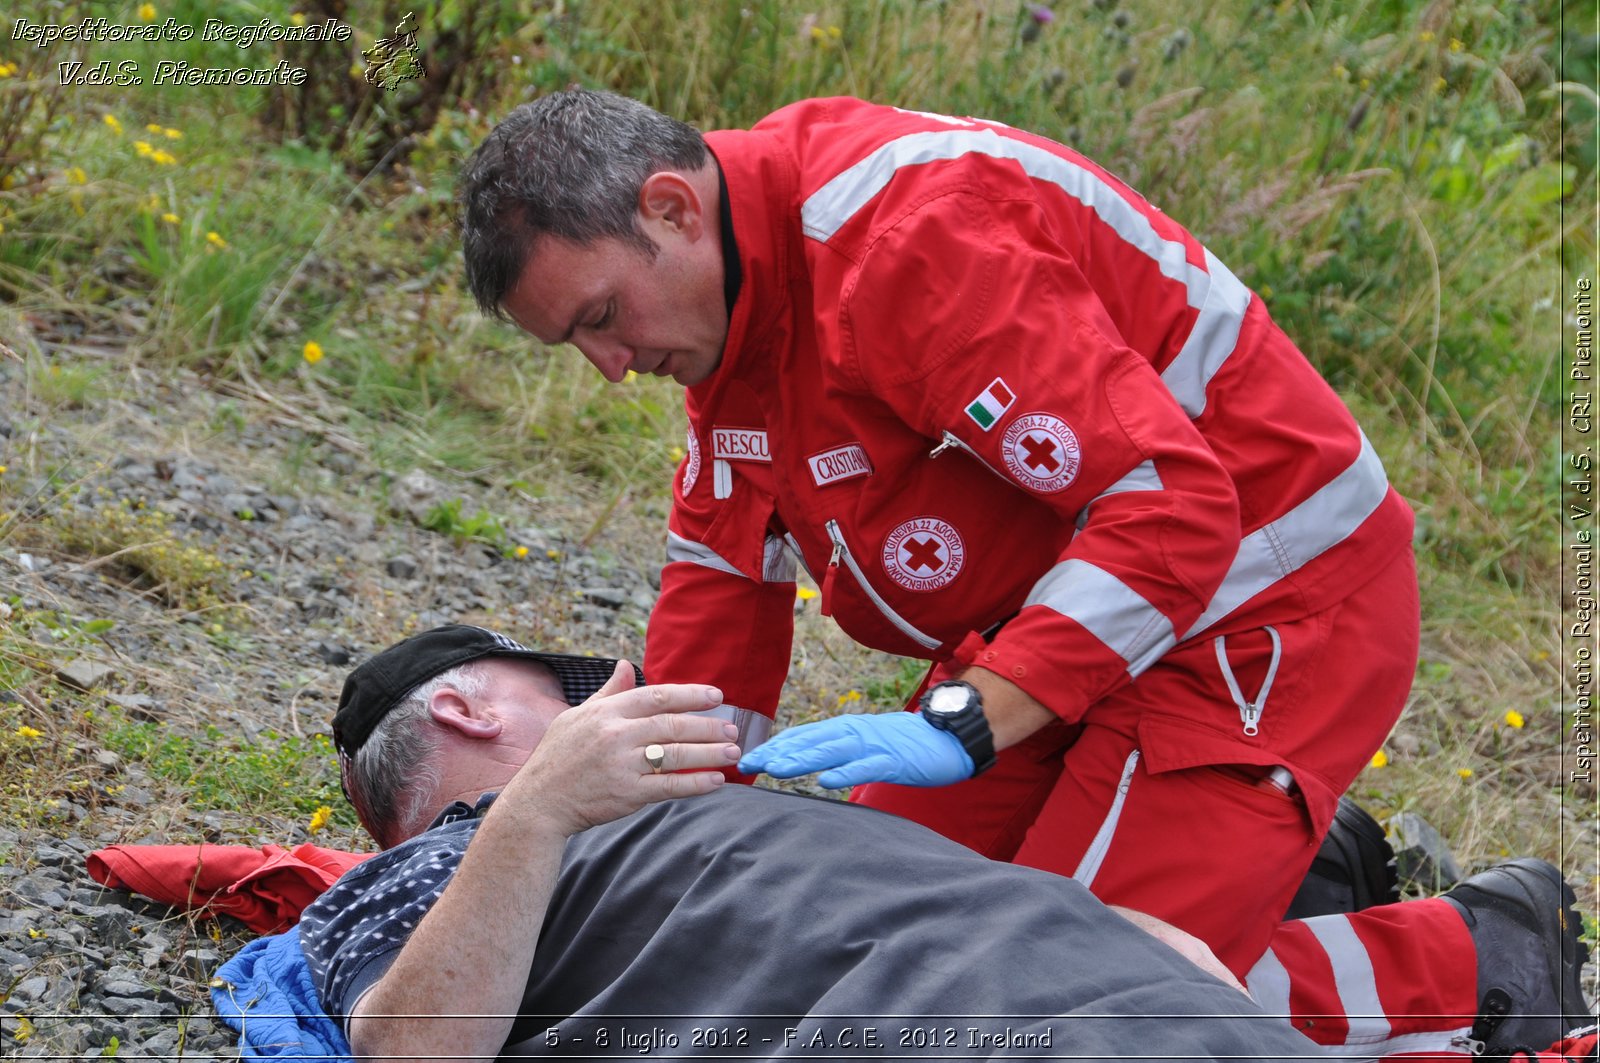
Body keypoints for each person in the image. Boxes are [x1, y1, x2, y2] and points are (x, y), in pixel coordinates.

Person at [456, 91, 1593, 1055]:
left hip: (1264, 605)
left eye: (603, 318)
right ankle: (1273, 873)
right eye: (576, 344)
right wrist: (659, 820)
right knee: (844, 923)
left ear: (673, 205)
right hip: (1070, 623)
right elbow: (719, 578)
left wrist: (966, 718)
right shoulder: (727, 309)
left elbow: (1170, 505)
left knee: (1036, 1001)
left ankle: (1475, 963)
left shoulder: (906, 244)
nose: (610, 368)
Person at [309, 624, 1321, 1062]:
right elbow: (414, 1048)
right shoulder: (428, 869)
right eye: (567, 698)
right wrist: (536, 806)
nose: (609, 705)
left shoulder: (714, 812)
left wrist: (1153, 958)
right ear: (464, 708)